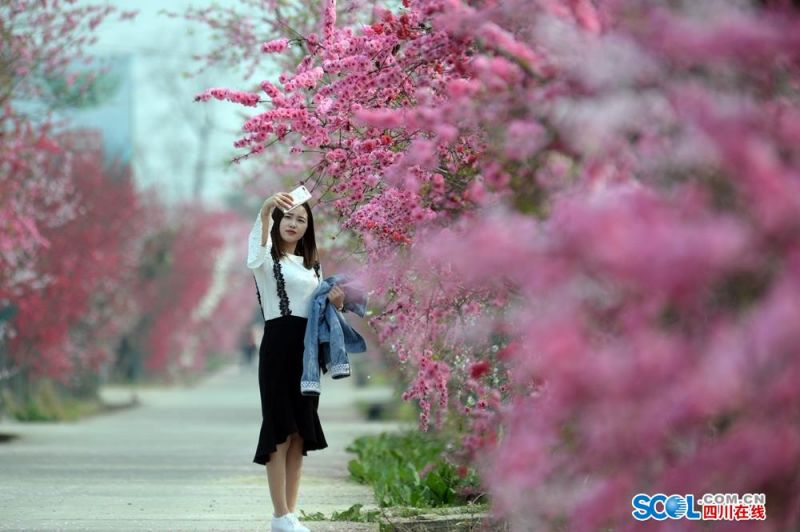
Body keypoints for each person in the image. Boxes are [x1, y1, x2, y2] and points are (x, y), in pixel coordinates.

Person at [247, 191, 346, 532]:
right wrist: (264, 211)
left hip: (307, 353)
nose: (293, 223)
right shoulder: (265, 261)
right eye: (287, 216)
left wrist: (338, 302)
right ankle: (279, 514)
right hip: (278, 346)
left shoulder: (313, 266)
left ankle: (290, 514)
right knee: (280, 430)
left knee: (301, 433)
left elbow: (320, 311)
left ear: (308, 228)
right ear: (277, 221)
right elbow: (254, 251)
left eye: (301, 219)